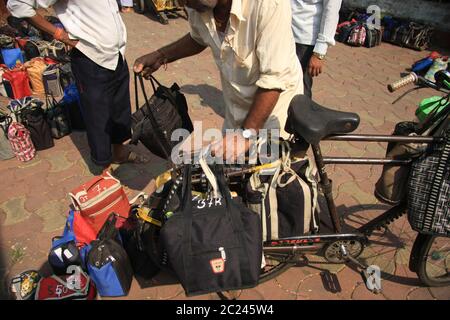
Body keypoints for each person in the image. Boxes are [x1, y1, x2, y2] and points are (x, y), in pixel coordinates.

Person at [134, 0, 302, 162]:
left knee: (269, 179)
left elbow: (274, 79)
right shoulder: (197, 5)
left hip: (273, 111)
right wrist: (161, 55)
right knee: (231, 171)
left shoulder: (268, 4)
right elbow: (199, 37)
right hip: (236, 111)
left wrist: (246, 134)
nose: (184, 4)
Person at [7, 0, 147, 169]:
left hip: (117, 55)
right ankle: (104, 167)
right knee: (98, 117)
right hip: (90, 57)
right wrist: (60, 34)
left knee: (120, 108)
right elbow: (18, 4)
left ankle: (119, 152)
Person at [291, 0, 342, 98]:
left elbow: (331, 12)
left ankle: (302, 113)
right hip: (283, 32)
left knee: (300, 92)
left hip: (304, 41)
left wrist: (319, 53)